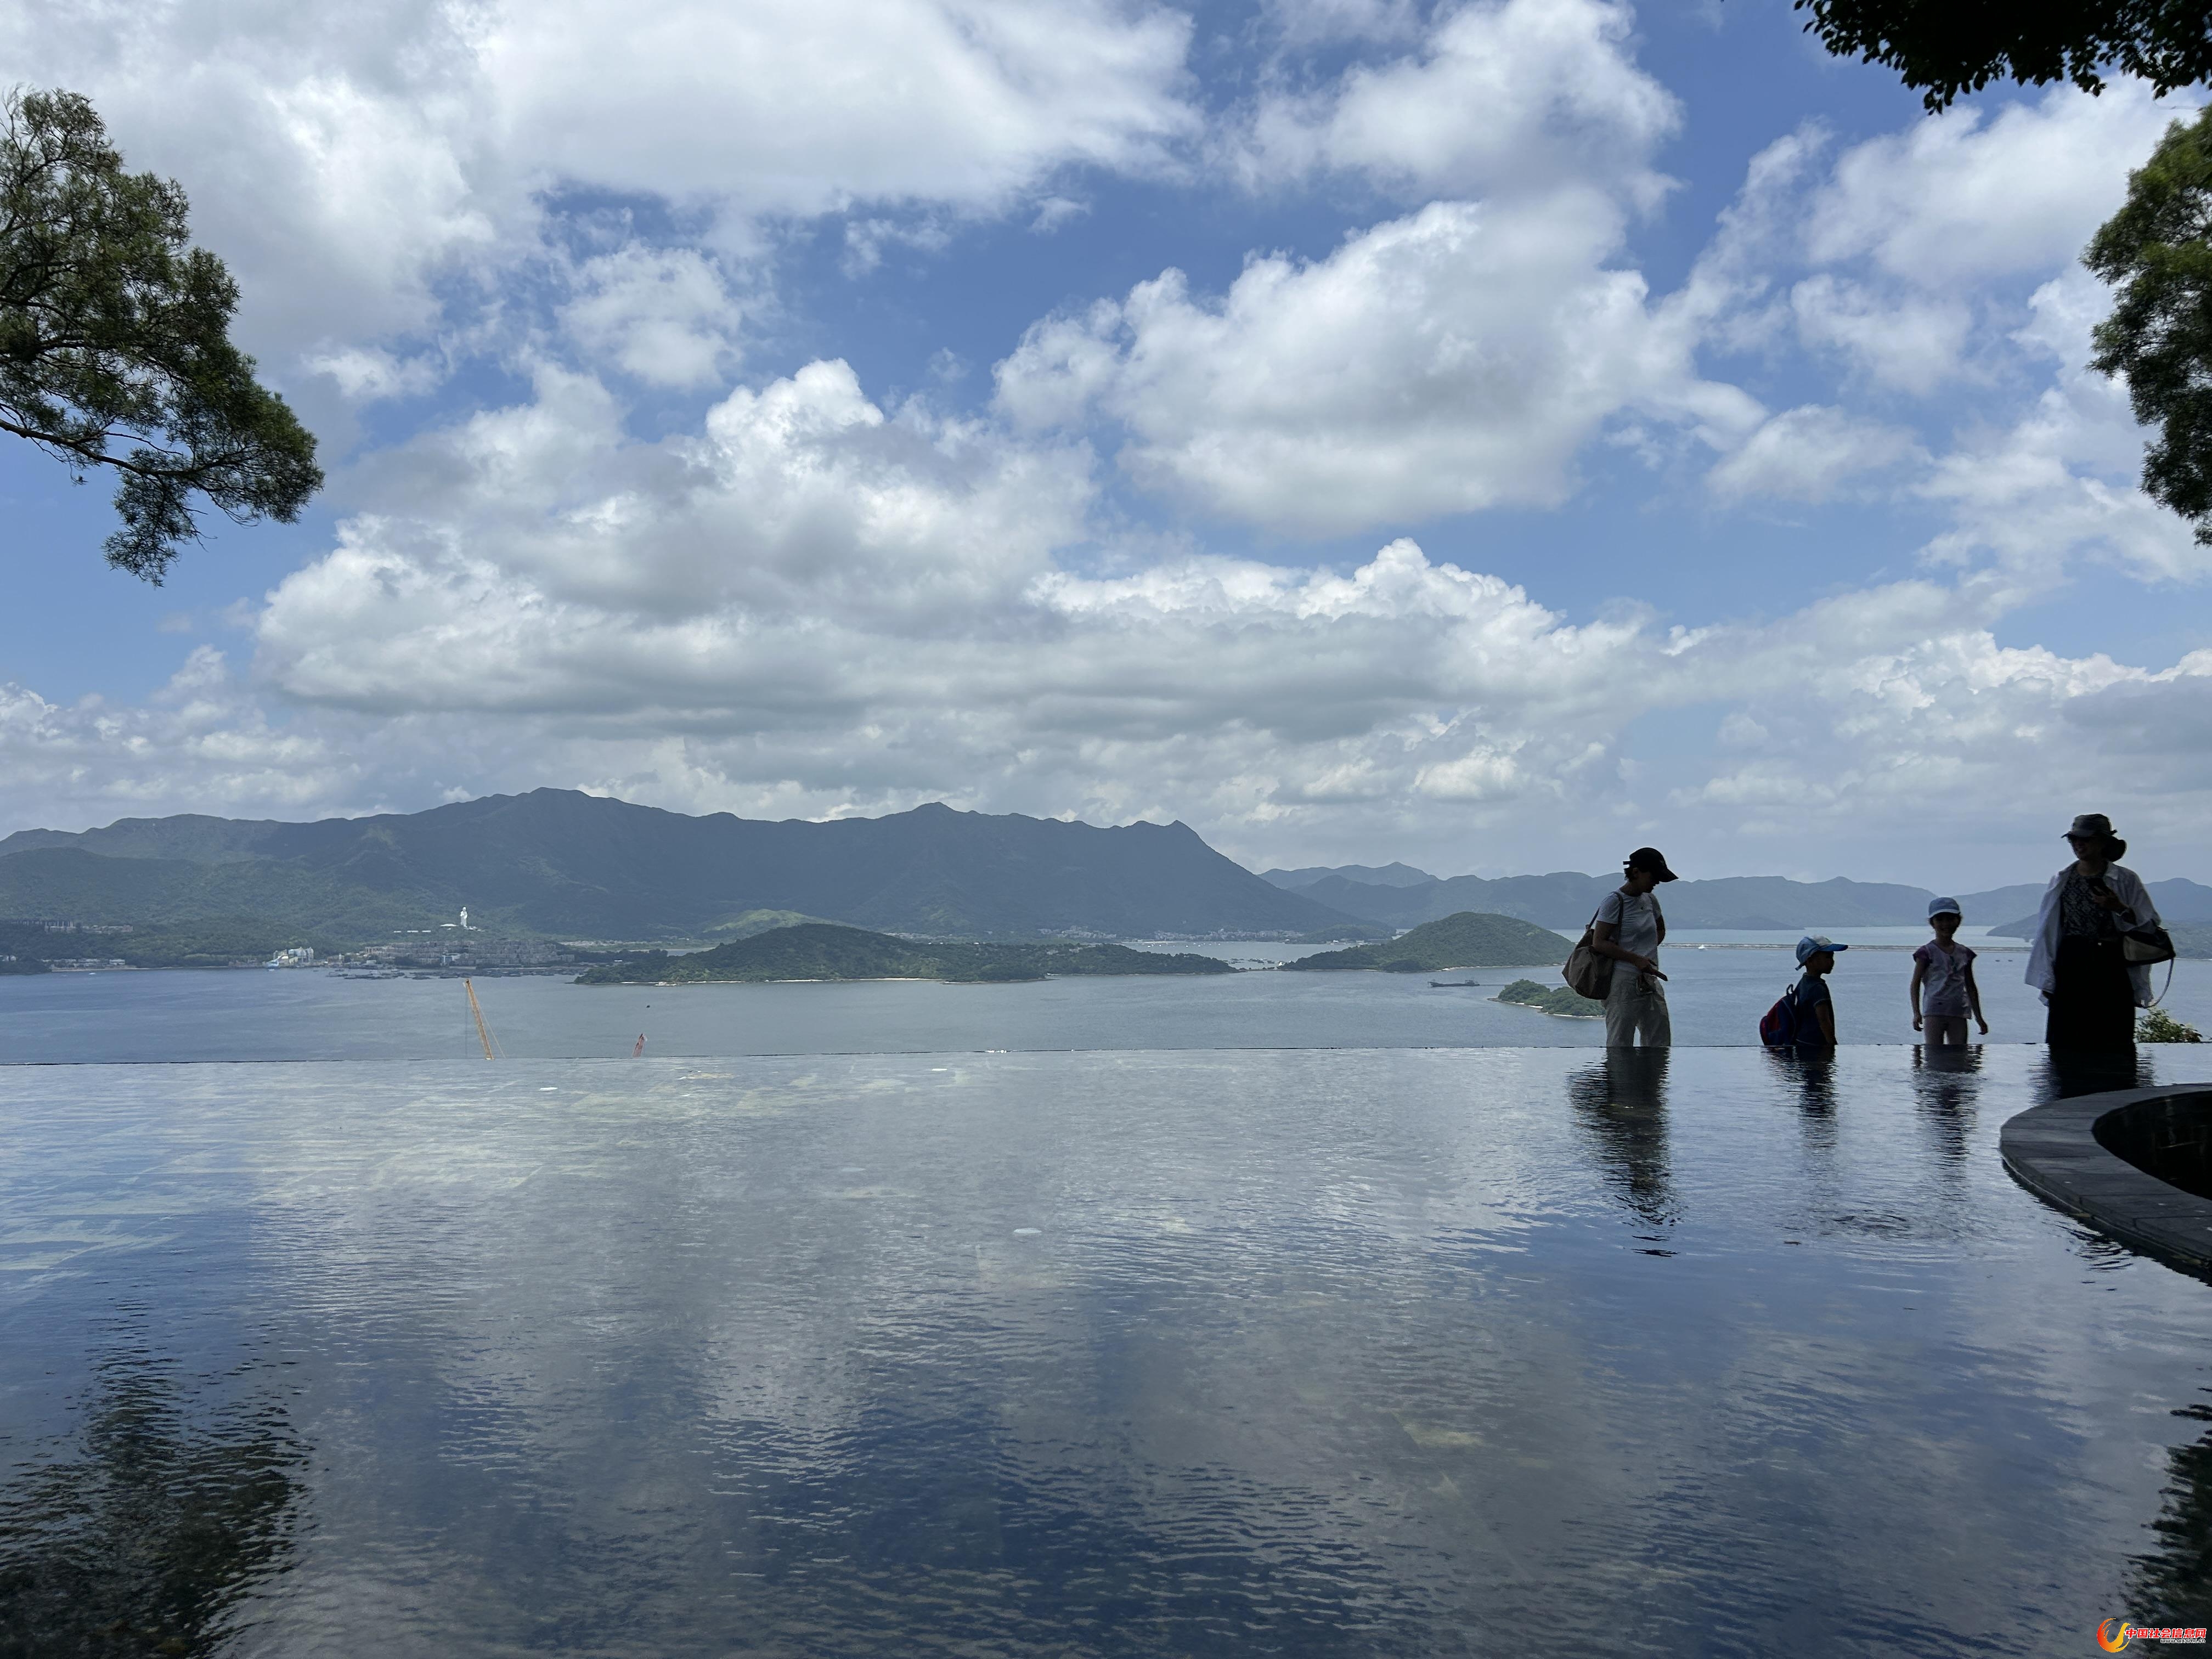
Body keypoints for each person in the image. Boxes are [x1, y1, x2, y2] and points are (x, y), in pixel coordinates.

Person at [2026, 813, 2161, 1049]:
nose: (2079, 845)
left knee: (2113, 1032)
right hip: (2071, 959)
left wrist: (2119, 908)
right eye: (2074, 840)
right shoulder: (2062, 879)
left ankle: (2116, 1084)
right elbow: (2048, 932)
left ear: (2102, 842)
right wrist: (2047, 978)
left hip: (2111, 960)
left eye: (2085, 839)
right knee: (2066, 1033)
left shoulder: (2126, 880)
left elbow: (2149, 924)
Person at [1590, 847, 1675, 1047]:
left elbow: (1659, 929)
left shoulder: (1650, 900)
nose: (1657, 882)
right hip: (1623, 981)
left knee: (1660, 1041)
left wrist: (1645, 956)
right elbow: (1599, 942)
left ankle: (1652, 1079)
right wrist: (1636, 959)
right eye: (1653, 876)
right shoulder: (1615, 901)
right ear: (1636, 872)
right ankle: (1620, 1079)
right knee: (1620, 1042)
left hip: (1649, 978)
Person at [1910, 898, 1987, 1047]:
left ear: (1958, 921)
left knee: (1959, 1055)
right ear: (1932, 923)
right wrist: (1916, 1013)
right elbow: (1915, 983)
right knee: (1933, 1053)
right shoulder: (1926, 953)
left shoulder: (1965, 953)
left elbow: (1971, 987)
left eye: (1951, 919)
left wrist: (1979, 1017)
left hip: (1959, 1011)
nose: (1946, 924)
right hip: (1934, 1011)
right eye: (1940, 919)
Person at [1791, 934, 1847, 1048]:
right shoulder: (1818, 988)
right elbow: (1824, 1021)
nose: (1832, 962)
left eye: (1832, 957)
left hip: (1802, 1043)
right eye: (1828, 957)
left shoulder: (1803, 982)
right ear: (1810, 960)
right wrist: (1833, 1046)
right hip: (1817, 1047)